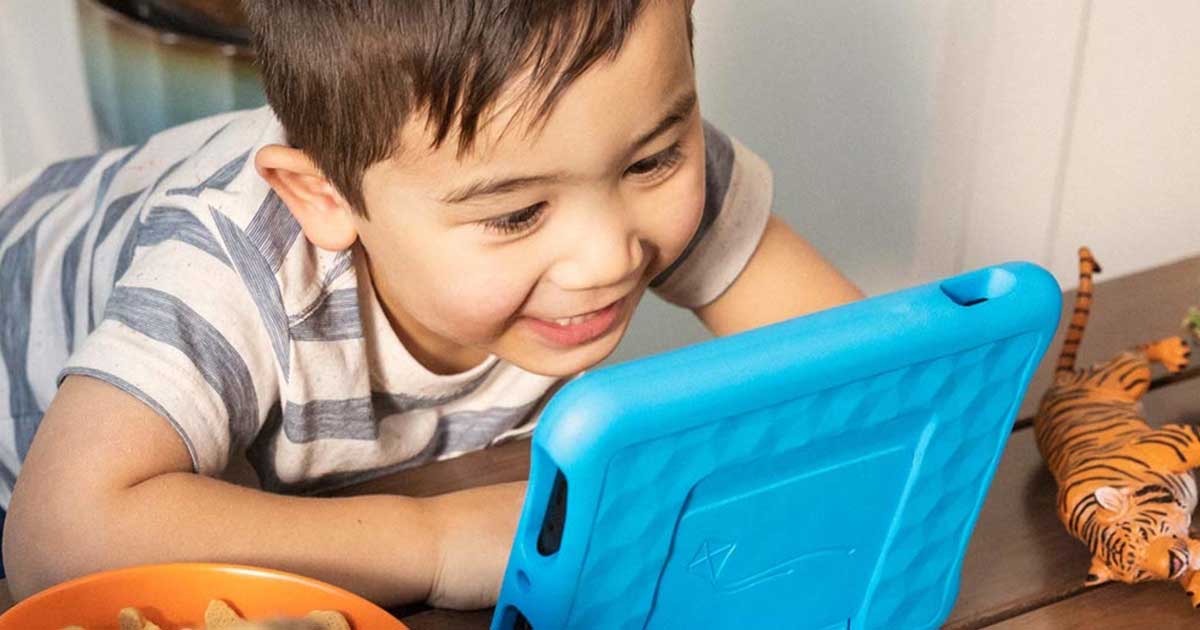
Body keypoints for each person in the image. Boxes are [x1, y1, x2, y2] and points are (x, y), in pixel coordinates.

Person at [0, 0, 862, 609]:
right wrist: (436, 543)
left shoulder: (612, 144)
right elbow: (56, 539)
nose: (610, 255)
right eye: (516, 213)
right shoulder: (235, 264)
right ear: (326, 199)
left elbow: (860, 372)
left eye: (652, 164)